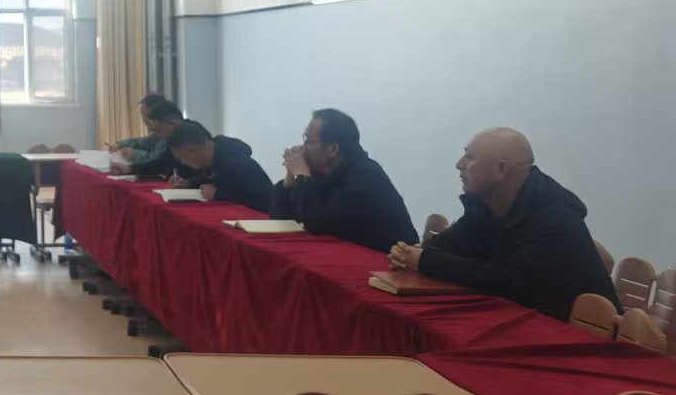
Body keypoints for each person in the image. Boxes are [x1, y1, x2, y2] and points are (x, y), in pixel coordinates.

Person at [388, 129, 619, 321]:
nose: (459, 165)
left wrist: (424, 260)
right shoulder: (489, 205)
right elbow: (444, 247)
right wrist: (410, 254)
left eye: (470, 158)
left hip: (583, 340)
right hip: (527, 323)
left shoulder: (554, 218)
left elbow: (507, 281)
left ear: (501, 169)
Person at [267, 108, 418, 253]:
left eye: (309, 141)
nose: (302, 149)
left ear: (332, 149)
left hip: (391, 261)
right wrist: (290, 177)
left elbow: (317, 224)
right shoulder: (327, 171)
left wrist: (302, 175)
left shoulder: (364, 178)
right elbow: (280, 216)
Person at [166, 120, 273, 212]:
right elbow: (211, 180)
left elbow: (260, 198)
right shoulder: (215, 156)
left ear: (194, 149)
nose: (184, 162)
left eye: (183, 158)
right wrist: (189, 183)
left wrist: (217, 194)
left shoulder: (234, 161)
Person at [113, 99, 189, 178]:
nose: (159, 135)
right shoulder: (175, 136)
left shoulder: (190, 137)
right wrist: (130, 169)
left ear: (173, 123)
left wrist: (188, 183)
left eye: (160, 130)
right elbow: (161, 163)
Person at [107, 92, 174, 161]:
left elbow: (158, 161)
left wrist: (133, 154)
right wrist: (120, 145)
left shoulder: (170, 133)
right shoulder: (158, 133)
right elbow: (142, 142)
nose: (144, 121)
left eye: (144, 115)